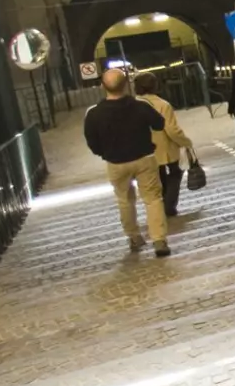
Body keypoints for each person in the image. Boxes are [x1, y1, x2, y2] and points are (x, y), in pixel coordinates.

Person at [82, 67, 172, 257]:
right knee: (153, 199)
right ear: (126, 85)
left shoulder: (94, 114)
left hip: (116, 163)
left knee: (124, 200)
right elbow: (160, 123)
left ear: (102, 86)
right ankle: (159, 240)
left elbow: (92, 142)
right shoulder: (140, 106)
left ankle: (134, 237)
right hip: (144, 158)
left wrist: (104, 153)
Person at [133, 70, 197, 217]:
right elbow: (171, 129)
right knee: (175, 173)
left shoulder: (131, 105)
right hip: (164, 148)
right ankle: (169, 206)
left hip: (143, 150)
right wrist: (186, 142)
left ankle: (161, 206)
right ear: (155, 86)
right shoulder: (163, 104)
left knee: (158, 177)